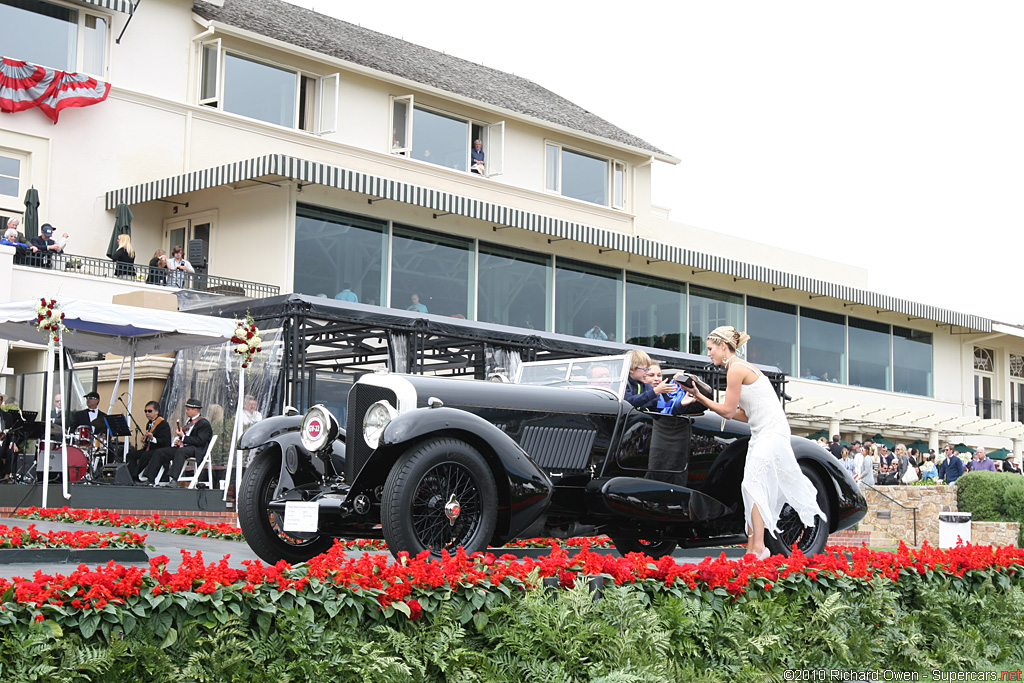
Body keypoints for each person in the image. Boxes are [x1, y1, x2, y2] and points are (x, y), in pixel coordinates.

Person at [681, 326, 824, 560]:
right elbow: (745, 414)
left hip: (771, 432)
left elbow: (727, 412)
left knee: (753, 484)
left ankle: (758, 547)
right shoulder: (739, 368)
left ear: (723, 347)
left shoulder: (736, 369)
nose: (708, 354)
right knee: (751, 487)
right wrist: (705, 399)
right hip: (762, 433)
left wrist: (700, 397)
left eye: (710, 349)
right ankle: (753, 547)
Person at [139, 398, 213, 485]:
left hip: (197, 449)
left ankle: (174, 479)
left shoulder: (204, 423)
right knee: (160, 452)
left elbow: (200, 441)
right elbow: (187, 437)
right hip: (186, 447)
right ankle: (150, 479)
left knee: (181, 452)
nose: (186, 411)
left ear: (195, 410)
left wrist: (183, 438)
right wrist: (180, 441)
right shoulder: (189, 422)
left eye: (188, 409)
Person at [125, 401, 172, 481]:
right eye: (145, 411)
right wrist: (146, 439)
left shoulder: (163, 424)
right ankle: (131, 476)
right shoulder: (149, 423)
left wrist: (152, 438)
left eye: (150, 411)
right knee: (131, 455)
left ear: (157, 412)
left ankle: (135, 476)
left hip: (160, 450)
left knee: (146, 455)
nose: (147, 413)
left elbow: (165, 441)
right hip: (150, 449)